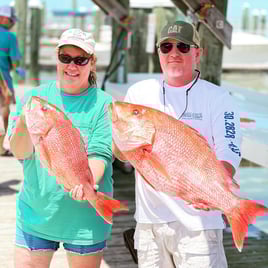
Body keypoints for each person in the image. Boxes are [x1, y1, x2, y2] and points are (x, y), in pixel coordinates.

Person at [117, 20, 242, 267]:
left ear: (198, 52)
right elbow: (122, 155)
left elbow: (230, 146)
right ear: (158, 52)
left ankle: (239, 210)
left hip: (199, 226)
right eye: (166, 47)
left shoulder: (218, 97)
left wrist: (219, 192)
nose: (174, 53)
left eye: (183, 47)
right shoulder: (139, 93)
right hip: (150, 225)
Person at [8, 28, 113, 268]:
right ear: (57, 58)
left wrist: (87, 185)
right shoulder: (33, 98)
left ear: (92, 63)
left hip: (85, 219)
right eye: (65, 58)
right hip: (36, 214)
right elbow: (21, 152)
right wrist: (25, 121)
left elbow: (100, 153)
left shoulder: (104, 103)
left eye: (80, 60)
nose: (72, 66)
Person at [0, 5, 21, 156]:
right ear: (5, 19)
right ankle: (2, 146)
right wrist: (16, 67)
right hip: (3, 80)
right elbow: (15, 63)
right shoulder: (10, 37)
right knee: (4, 110)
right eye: (12, 20)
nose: (13, 23)